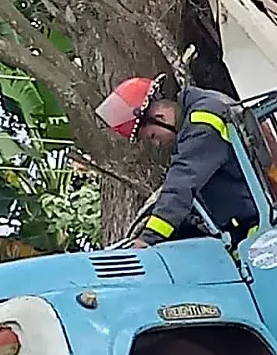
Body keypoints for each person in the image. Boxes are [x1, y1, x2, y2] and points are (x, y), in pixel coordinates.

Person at [95, 75, 259, 249]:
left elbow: (182, 183)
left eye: (152, 136)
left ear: (161, 117)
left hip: (255, 225)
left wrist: (148, 239)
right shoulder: (204, 104)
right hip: (247, 213)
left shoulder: (202, 124)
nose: (157, 144)